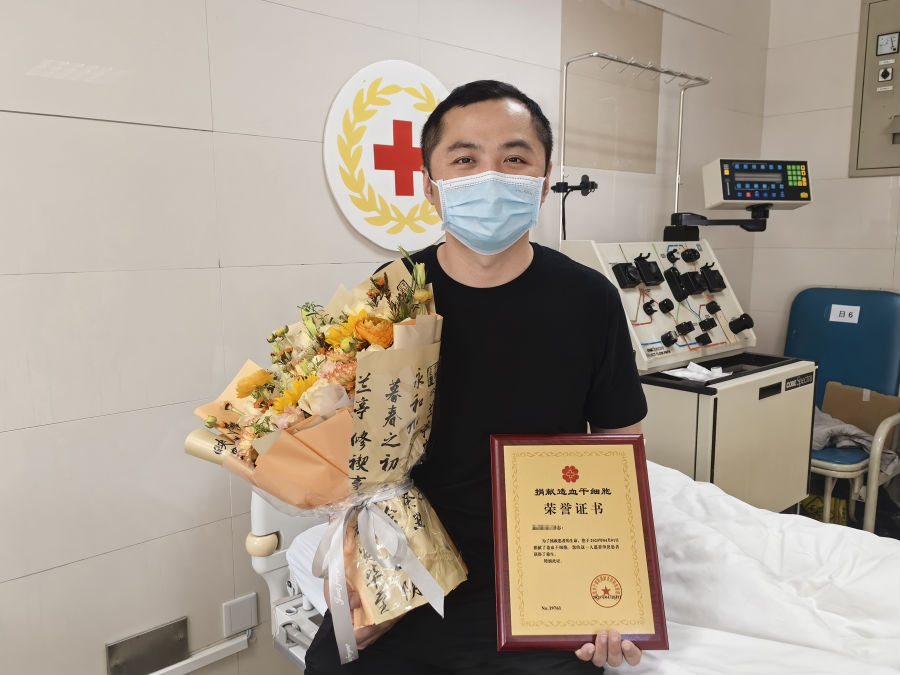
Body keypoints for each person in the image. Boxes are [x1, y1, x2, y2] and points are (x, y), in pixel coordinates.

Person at [305, 80, 648, 674]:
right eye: (465, 159)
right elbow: (342, 450)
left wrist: (616, 585)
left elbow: (620, 446)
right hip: (410, 568)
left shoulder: (589, 299)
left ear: (543, 181)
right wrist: (358, 574)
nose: (490, 176)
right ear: (430, 187)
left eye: (514, 159)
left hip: (545, 571)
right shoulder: (390, 298)